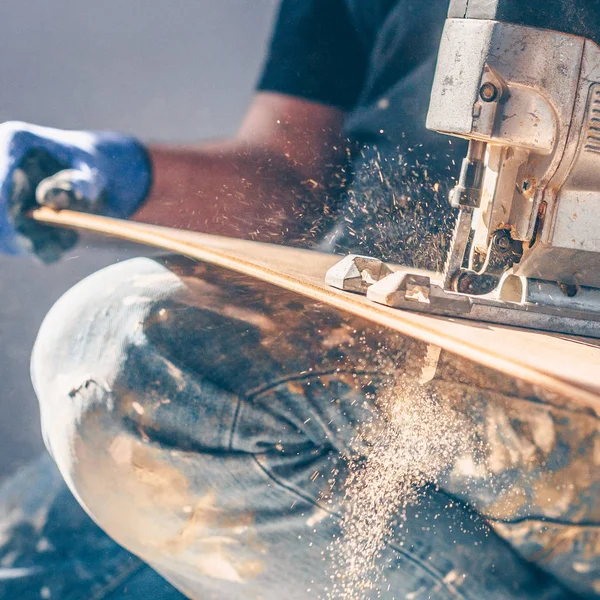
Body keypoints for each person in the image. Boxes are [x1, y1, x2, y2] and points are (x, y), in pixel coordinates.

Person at [0, 1, 598, 598]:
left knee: (139, 357)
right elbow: (289, 177)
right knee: (31, 562)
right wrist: (121, 175)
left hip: (574, 384)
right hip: (373, 350)